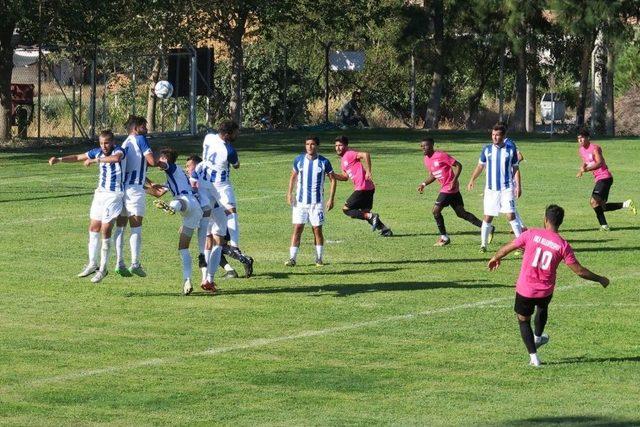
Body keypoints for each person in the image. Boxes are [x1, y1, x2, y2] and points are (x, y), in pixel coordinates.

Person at [488, 204, 610, 367]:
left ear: (545, 219)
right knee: (542, 307)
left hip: (525, 289)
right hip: (545, 291)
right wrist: (600, 278)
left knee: (523, 320)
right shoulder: (563, 245)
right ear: (560, 223)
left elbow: (509, 248)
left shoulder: (531, 234)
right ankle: (538, 337)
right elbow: (579, 271)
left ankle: (534, 357)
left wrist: (496, 257)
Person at [48, 130, 125, 283]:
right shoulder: (97, 152)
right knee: (93, 227)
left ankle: (103, 268)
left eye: (107, 143)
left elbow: (115, 159)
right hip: (100, 194)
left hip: (114, 195)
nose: (104, 146)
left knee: (106, 228)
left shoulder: (118, 151)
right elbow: (78, 157)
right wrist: (59, 159)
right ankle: (92, 263)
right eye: (101, 143)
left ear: (113, 142)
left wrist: (96, 161)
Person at [147, 148, 203, 295]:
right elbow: (158, 193)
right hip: (193, 211)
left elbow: (162, 165)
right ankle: (187, 280)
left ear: (166, 159)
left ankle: (171, 208)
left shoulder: (172, 168)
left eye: (161, 158)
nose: (159, 161)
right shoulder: (173, 177)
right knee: (183, 248)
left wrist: (146, 160)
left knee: (178, 201)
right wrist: (138, 187)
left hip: (186, 201)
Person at [201, 120, 254, 276]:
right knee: (231, 213)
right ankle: (235, 246)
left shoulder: (208, 138)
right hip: (221, 186)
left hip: (205, 185)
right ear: (227, 134)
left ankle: (213, 274)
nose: (237, 135)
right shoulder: (229, 150)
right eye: (235, 132)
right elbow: (236, 165)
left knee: (209, 225)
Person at [467, 123, 522, 253]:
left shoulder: (510, 150)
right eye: (493, 135)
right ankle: (483, 245)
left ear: (503, 136)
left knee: (511, 216)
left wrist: (518, 186)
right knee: (488, 217)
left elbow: (515, 169)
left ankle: (521, 244)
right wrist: (472, 179)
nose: (494, 137)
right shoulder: (487, 150)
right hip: (491, 190)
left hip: (506, 189)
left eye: (497, 135)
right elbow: (480, 166)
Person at [417, 138, 482, 246]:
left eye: (426, 146)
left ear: (432, 145)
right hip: (449, 188)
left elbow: (458, 165)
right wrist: (424, 184)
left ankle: (444, 237)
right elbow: (433, 174)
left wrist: (454, 180)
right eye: (422, 146)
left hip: (449, 187)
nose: (423, 148)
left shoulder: (441, 155)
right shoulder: (426, 160)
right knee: (461, 213)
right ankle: (486, 227)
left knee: (435, 211)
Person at [185, 155, 240, 280]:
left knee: (214, 244)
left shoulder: (204, 180)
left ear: (199, 165)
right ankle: (211, 277)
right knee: (209, 244)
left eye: (189, 166)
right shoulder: (196, 180)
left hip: (214, 216)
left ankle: (238, 259)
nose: (187, 169)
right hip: (208, 216)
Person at [114, 115, 156, 277]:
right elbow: (151, 161)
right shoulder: (140, 139)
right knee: (136, 228)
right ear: (135, 128)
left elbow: (132, 168)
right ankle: (135, 263)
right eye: (144, 127)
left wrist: (150, 183)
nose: (146, 130)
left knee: (120, 227)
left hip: (122, 189)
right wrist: (162, 159)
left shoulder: (125, 143)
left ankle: (119, 263)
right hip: (135, 191)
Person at [285, 136, 337, 266]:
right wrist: (289, 193)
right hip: (300, 203)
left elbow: (333, 180)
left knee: (317, 229)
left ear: (317, 146)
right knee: (297, 228)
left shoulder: (324, 162)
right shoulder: (299, 160)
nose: (309, 146)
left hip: (317, 203)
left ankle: (319, 258)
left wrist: (331, 198)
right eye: (307, 144)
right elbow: (293, 177)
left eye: (312, 144)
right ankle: (292, 259)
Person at [576, 128, 636, 230]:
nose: (580, 140)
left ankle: (604, 226)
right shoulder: (581, 150)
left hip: (605, 177)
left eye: (582, 138)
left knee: (593, 201)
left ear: (587, 138)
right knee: (602, 207)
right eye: (578, 139)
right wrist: (582, 169)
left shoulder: (595, 148)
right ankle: (626, 204)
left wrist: (587, 169)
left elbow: (599, 163)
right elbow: (586, 161)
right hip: (599, 178)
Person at [333, 135, 392, 236]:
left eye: (340, 145)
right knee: (365, 213)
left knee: (347, 210)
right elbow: (345, 177)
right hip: (369, 188)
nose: (338, 147)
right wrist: (332, 175)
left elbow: (365, 154)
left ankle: (372, 217)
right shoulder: (343, 161)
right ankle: (385, 229)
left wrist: (369, 170)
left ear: (346, 146)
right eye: (336, 145)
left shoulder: (349, 154)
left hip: (362, 187)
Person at [504, 136, 526, 231]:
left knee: (508, 205)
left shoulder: (509, 143)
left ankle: (520, 226)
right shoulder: (502, 143)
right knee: (508, 205)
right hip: (505, 178)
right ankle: (519, 225)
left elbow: (520, 156)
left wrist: (510, 163)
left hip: (510, 178)